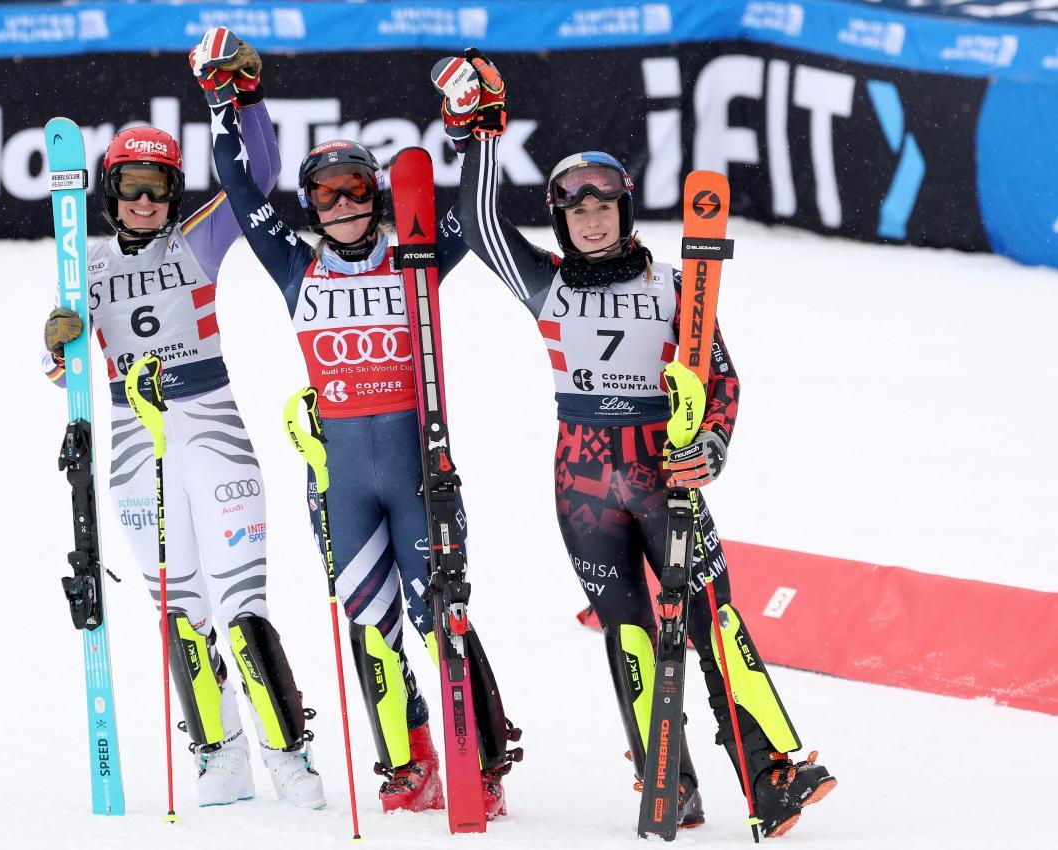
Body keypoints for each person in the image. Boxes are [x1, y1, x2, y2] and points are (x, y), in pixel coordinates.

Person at [439, 52, 836, 838]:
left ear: (623, 208)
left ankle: (771, 776)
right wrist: (478, 133)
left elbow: (720, 382)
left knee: (713, 623)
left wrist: (711, 447)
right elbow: (479, 222)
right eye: (574, 207)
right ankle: (667, 782)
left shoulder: (674, 286)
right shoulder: (544, 282)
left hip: (662, 478)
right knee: (626, 635)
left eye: (604, 202)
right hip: (582, 486)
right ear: (559, 218)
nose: (590, 217)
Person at [204, 72, 522, 820]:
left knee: (441, 616)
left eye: (354, 190)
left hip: (416, 473)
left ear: (376, 194)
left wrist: (477, 132)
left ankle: (485, 757)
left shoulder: (416, 257)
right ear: (310, 206)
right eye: (325, 195)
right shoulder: (296, 266)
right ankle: (407, 762)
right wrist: (226, 105)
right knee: (369, 627)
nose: (342, 206)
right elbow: (240, 191)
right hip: (342, 478)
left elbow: (474, 213)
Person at [41, 28, 325, 811]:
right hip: (136, 450)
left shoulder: (197, 240)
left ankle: (287, 757)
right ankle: (218, 754)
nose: (143, 201)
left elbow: (257, 177)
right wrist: (54, 340)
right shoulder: (84, 267)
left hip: (211, 427)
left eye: (157, 188)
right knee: (182, 614)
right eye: (131, 187)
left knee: (243, 611)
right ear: (109, 194)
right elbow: (60, 373)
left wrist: (242, 99)